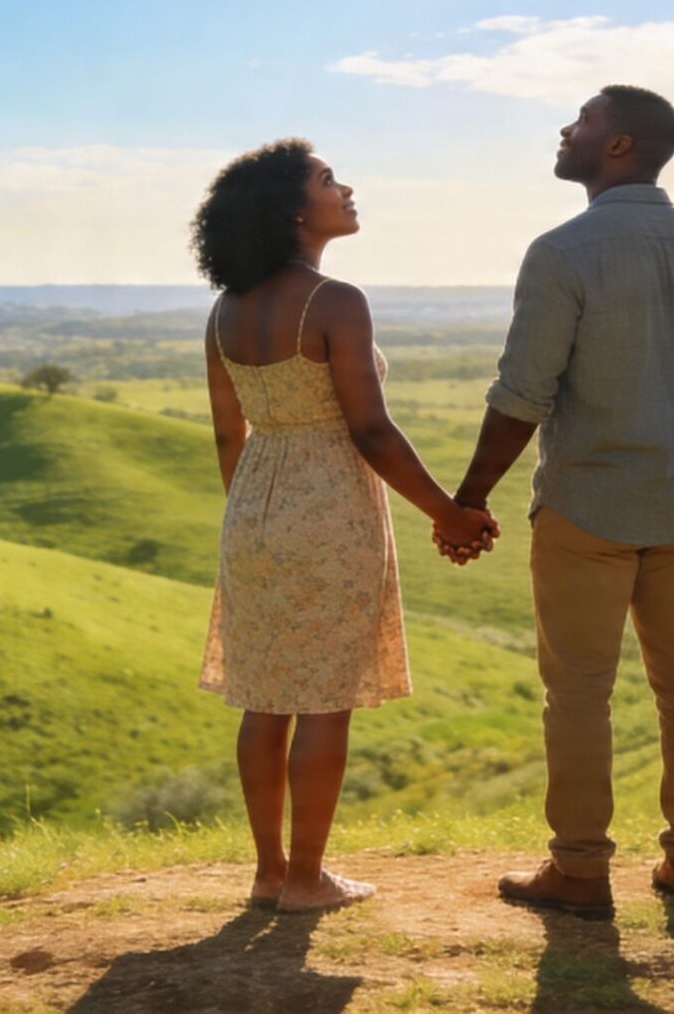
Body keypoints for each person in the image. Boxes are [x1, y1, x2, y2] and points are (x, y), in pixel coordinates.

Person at [446, 85, 674, 919]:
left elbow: (522, 395)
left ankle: (580, 872)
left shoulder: (562, 252)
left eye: (580, 120)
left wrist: (468, 497)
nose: (565, 129)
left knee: (579, 692)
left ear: (618, 145)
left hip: (586, 509)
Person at [194, 138, 501, 913]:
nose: (347, 188)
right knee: (326, 698)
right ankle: (307, 880)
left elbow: (230, 435)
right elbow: (370, 431)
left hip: (254, 507)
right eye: (330, 180)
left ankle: (267, 874)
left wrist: (252, 522)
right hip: (330, 506)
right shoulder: (335, 302)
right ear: (297, 210)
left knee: (264, 698)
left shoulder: (226, 309)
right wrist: (451, 515)